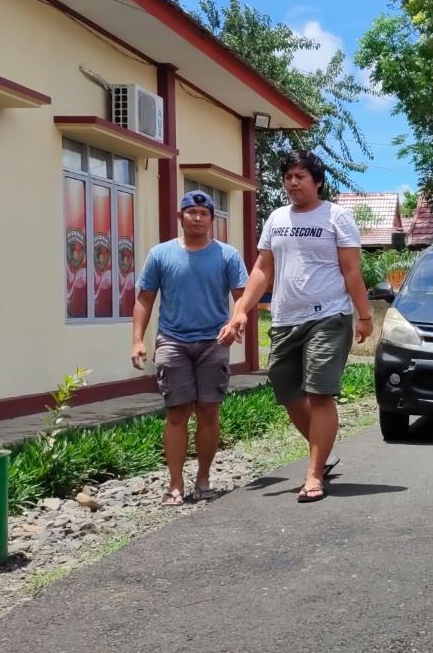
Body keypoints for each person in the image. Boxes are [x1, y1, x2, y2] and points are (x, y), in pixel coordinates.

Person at [219, 150, 372, 503]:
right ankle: (325, 452)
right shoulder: (276, 219)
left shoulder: (337, 217)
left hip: (328, 316)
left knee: (319, 393)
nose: (293, 182)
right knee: (288, 393)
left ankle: (314, 473)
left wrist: (364, 316)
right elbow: (262, 269)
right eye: (288, 176)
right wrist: (242, 309)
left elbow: (351, 270)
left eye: (300, 176)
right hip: (286, 318)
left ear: (317, 181)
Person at [132, 190, 249, 506]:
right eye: (191, 212)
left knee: (209, 410)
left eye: (204, 213)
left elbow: (243, 297)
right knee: (177, 412)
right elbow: (145, 298)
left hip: (214, 341)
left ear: (212, 219)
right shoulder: (160, 254)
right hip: (172, 341)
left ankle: (204, 477)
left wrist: (236, 322)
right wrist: (138, 339)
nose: (197, 217)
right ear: (180, 216)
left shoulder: (227, 255)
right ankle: (175, 484)